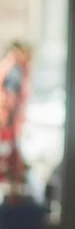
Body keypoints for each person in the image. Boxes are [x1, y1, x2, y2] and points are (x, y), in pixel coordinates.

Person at [0, 41, 32, 184]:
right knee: (9, 159)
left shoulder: (9, 65)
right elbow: (9, 98)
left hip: (9, 123)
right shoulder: (14, 69)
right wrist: (9, 123)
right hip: (8, 125)